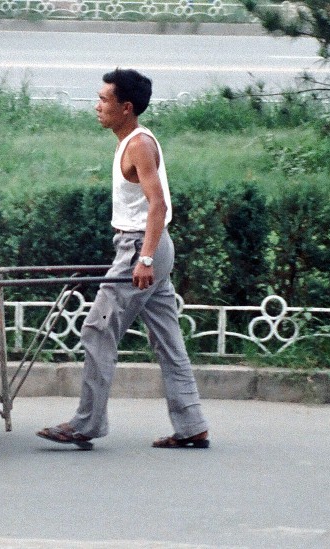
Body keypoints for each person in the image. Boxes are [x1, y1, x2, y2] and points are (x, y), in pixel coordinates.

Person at [37, 68, 210, 450]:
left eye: (104, 100)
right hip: (147, 246)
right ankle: (191, 424)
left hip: (141, 247)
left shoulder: (138, 145)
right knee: (168, 339)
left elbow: (158, 205)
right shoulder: (130, 139)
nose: (97, 106)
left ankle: (86, 424)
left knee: (98, 330)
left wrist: (144, 259)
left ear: (126, 107)